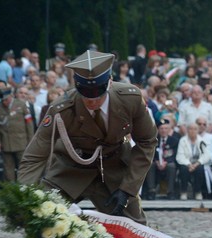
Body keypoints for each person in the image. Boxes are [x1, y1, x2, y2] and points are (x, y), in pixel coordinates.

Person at [18, 51, 157, 224]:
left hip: (114, 169)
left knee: (136, 231)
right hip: (71, 169)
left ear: (109, 82)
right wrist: (24, 194)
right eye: (84, 91)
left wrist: (128, 188)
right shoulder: (62, 109)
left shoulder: (130, 99)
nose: (91, 100)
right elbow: (35, 155)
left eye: (98, 91)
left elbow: (147, 141)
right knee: (40, 221)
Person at [0, 87, 34, 182]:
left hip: (21, 142)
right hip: (5, 143)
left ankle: (24, 189)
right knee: (8, 169)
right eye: (3, 100)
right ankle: (11, 190)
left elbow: (29, 124)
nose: (4, 102)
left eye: (6, 99)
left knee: (23, 167)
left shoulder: (21, 105)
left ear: (11, 96)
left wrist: (30, 141)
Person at [144, 120, 179, 200]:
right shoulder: (153, 141)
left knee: (172, 166)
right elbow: (150, 154)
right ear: (158, 129)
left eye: (166, 128)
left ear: (169, 129)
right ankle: (151, 191)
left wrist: (166, 162)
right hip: (156, 164)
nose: (163, 130)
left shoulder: (174, 141)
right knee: (150, 165)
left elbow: (175, 155)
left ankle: (170, 192)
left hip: (168, 163)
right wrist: (156, 161)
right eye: (161, 128)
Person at [175, 121, 210, 201]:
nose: (193, 131)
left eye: (195, 129)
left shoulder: (202, 141)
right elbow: (180, 156)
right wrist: (189, 164)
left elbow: (206, 155)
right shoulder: (182, 140)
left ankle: (198, 192)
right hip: (186, 163)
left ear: (198, 131)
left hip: (197, 163)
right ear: (187, 130)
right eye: (190, 129)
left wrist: (197, 163)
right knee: (183, 169)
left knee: (200, 169)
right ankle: (184, 191)